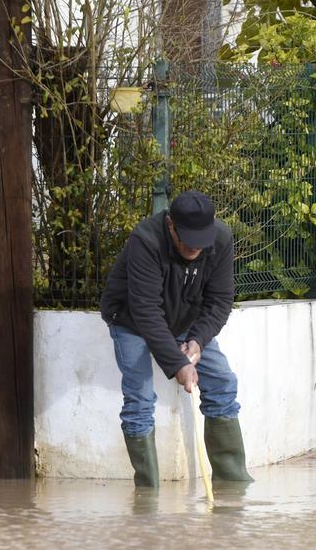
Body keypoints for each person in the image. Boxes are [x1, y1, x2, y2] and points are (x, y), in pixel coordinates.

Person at [100, 189, 255, 487]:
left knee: (223, 382)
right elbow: (145, 310)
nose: (195, 248)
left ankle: (233, 484)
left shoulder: (221, 238)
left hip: (187, 323)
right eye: (188, 239)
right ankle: (148, 493)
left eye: (201, 241)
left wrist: (197, 342)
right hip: (131, 320)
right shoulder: (145, 240)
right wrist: (178, 364)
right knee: (140, 400)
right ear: (171, 225)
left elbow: (220, 301)